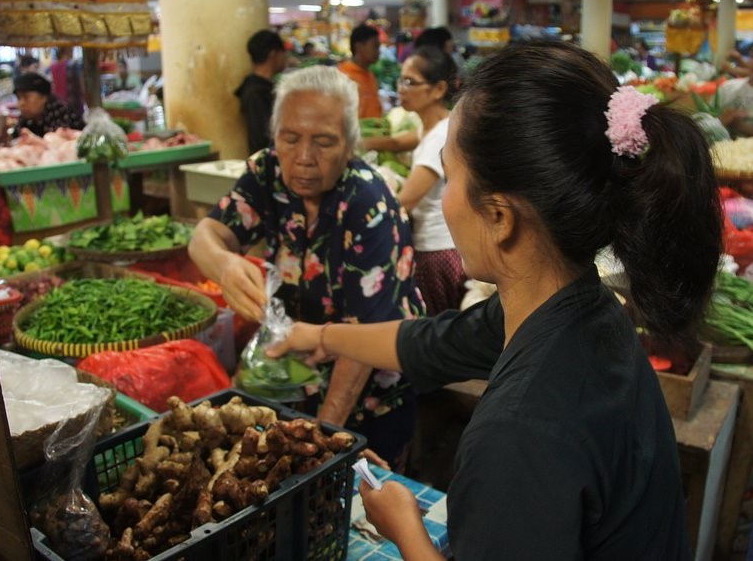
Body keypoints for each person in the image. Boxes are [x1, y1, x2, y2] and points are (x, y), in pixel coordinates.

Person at [267, 40, 722, 559]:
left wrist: (404, 527)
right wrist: (318, 336)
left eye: (451, 176)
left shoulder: (518, 432)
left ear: (500, 217)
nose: (443, 198)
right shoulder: (581, 307)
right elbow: (430, 342)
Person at [189, 65, 425, 469]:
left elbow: (363, 339)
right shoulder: (268, 173)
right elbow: (204, 237)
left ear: (350, 145)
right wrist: (226, 264)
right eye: (290, 138)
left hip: (370, 393)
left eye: (323, 142)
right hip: (301, 375)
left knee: (358, 503)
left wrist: (320, 438)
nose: (303, 158)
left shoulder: (367, 202)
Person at [391, 45, 464, 315]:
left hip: (437, 250)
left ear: (438, 89)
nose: (401, 88)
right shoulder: (436, 125)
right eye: (401, 80)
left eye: (410, 82)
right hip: (442, 245)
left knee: (438, 329)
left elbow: (406, 201)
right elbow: (402, 140)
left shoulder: (439, 137)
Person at [234, 29, 288, 155]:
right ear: (273, 54)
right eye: (283, 53)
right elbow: (262, 138)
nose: (286, 58)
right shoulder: (255, 92)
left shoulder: (260, 87)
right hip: (267, 163)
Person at [12, 73, 85, 138]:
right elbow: (16, 137)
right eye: (18, 98)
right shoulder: (26, 119)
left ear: (44, 97)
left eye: (26, 97)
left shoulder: (60, 113)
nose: (21, 103)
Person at [338, 24, 383, 119]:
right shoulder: (342, 76)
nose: (379, 52)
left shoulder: (369, 75)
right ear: (359, 47)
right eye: (375, 46)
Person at [49, 47, 84, 117]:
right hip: (73, 103)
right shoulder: (72, 65)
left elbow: (53, 85)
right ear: (68, 50)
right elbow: (81, 85)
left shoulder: (52, 67)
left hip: (58, 103)